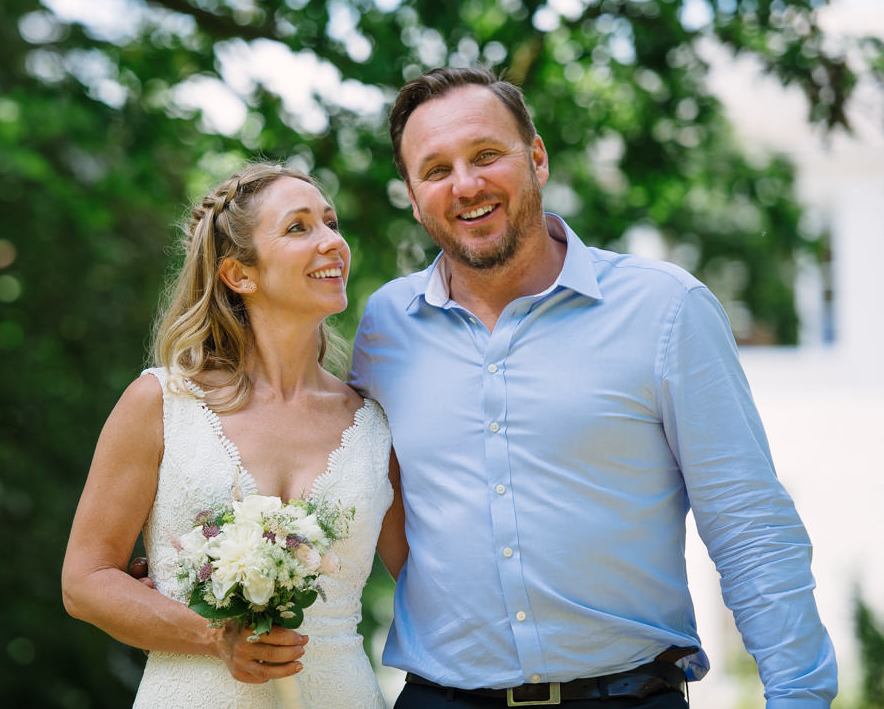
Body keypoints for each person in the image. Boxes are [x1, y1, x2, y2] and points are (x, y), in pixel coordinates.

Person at [349, 67, 837, 708]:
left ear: (537, 158)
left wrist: (798, 697)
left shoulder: (665, 309)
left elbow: (748, 523)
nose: (466, 184)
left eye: (487, 155)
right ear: (413, 197)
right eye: (436, 170)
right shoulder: (387, 326)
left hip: (629, 695)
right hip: (441, 697)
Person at [61, 163, 405, 708]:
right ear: (239, 274)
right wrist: (212, 636)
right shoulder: (162, 402)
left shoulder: (375, 424)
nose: (332, 242)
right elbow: (84, 581)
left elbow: (430, 578)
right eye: (299, 228)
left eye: (330, 222)